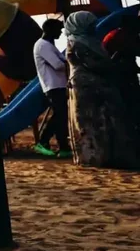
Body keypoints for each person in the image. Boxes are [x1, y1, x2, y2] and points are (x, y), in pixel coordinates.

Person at [66, 11, 140, 169]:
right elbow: (94, 64)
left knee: (107, 122)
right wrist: (116, 65)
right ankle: (95, 157)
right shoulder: (77, 43)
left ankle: (110, 155)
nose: (94, 27)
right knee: (92, 124)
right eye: (90, 24)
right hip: (87, 90)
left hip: (101, 87)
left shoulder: (91, 42)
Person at [32, 18, 72, 158]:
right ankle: (42, 142)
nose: (60, 33)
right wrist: (71, 63)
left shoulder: (49, 45)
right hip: (53, 85)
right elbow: (58, 65)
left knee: (61, 117)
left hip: (58, 85)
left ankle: (63, 147)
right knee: (59, 116)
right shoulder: (43, 45)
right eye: (58, 30)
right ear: (50, 30)